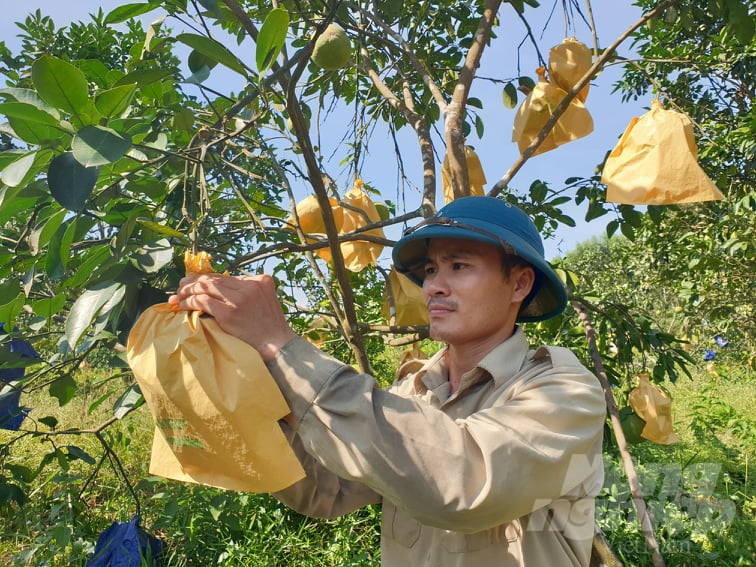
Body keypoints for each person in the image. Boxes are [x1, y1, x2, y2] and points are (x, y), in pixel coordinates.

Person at [168, 196, 607, 566]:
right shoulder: (413, 392)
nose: (434, 286)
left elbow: (462, 483)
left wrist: (280, 345)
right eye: (431, 270)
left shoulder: (564, 391)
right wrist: (243, 374)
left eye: (458, 266)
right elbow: (328, 490)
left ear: (519, 284)